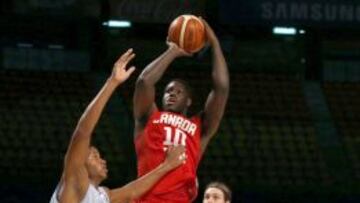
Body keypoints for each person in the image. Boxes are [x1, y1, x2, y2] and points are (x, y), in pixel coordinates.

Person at [49, 49, 187, 203]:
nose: (103, 161)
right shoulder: (73, 182)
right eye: (95, 156)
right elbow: (82, 132)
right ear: (81, 162)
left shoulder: (101, 194)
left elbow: (131, 192)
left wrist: (167, 165)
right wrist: (112, 83)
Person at [133, 18, 229, 202]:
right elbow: (144, 82)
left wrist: (215, 44)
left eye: (179, 92)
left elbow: (222, 89)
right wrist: (172, 52)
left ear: (188, 101)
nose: (172, 94)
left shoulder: (200, 128)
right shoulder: (149, 116)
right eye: (168, 91)